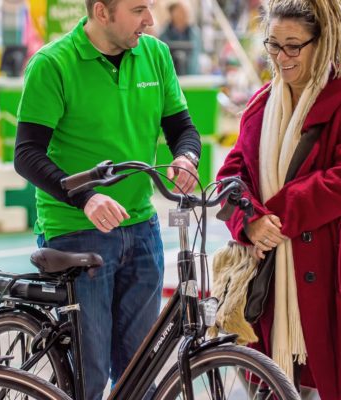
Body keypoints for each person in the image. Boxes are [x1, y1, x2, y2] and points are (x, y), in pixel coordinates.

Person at [13, 0, 201, 398]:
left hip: (142, 230)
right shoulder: (53, 64)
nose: (150, 20)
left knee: (139, 372)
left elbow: (182, 126)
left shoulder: (156, 53)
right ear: (102, 12)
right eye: (138, 10)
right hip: (77, 236)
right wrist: (86, 198)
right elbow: (27, 155)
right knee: (90, 377)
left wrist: (187, 156)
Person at [216, 0, 341, 399]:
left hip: (334, 281)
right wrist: (248, 222)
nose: (282, 57)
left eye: (294, 46)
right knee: (273, 385)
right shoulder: (260, 105)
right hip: (271, 283)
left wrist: (273, 218)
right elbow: (229, 177)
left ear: (321, 42)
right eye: (274, 45)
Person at [159, 0, 201, 75]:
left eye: (188, 11)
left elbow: (198, 57)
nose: (186, 14)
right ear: (173, 13)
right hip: (171, 79)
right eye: (182, 11)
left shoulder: (195, 33)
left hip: (192, 79)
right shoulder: (163, 35)